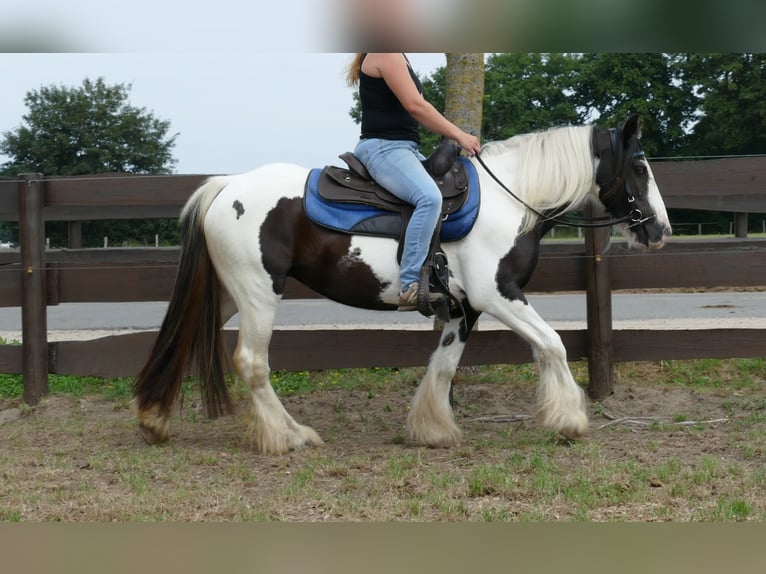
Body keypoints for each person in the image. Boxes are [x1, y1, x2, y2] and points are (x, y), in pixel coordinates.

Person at [346, 53, 481, 311]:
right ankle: (409, 286)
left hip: (404, 148)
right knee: (429, 198)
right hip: (384, 149)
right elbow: (415, 106)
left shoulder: (398, 55)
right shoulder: (384, 53)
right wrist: (459, 135)